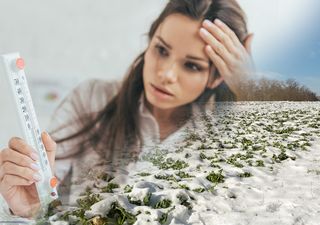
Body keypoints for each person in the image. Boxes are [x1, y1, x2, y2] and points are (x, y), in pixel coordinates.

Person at [0, 0, 254, 219]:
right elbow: (47, 209)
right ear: (150, 41)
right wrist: (33, 208)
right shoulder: (91, 100)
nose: (165, 74)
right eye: (161, 50)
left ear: (216, 78)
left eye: (192, 66)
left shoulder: (233, 139)